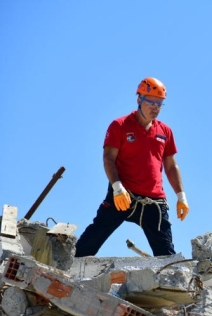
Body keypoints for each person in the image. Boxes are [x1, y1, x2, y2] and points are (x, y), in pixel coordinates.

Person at [75, 77, 189, 257]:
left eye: (160, 104)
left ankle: (173, 282)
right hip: (123, 195)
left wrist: (181, 196)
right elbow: (108, 158)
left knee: (166, 256)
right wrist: (117, 188)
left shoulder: (165, 131)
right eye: (151, 102)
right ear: (139, 99)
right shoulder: (119, 125)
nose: (156, 108)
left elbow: (171, 165)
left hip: (154, 201)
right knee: (92, 239)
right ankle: (66, 270)